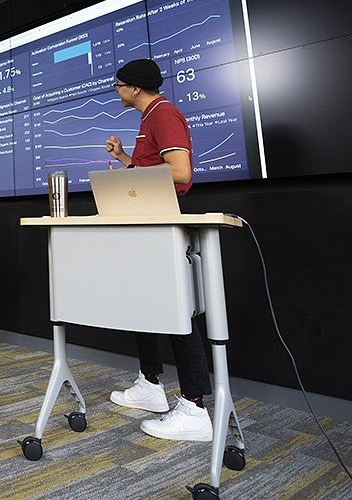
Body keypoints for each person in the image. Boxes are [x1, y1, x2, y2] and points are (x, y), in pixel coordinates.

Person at [104, 58, 212, 442]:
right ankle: (150, 385)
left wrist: (136, 173)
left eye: (118, 85)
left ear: (134, 87)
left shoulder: (164, 115)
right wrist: (124, 161)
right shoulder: (147, 118)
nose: (116, 91)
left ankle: (195, 407)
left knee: (175, 310)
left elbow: (181, 173)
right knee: (145, 305)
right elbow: (153, 169)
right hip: (146, 223)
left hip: (163, 223)